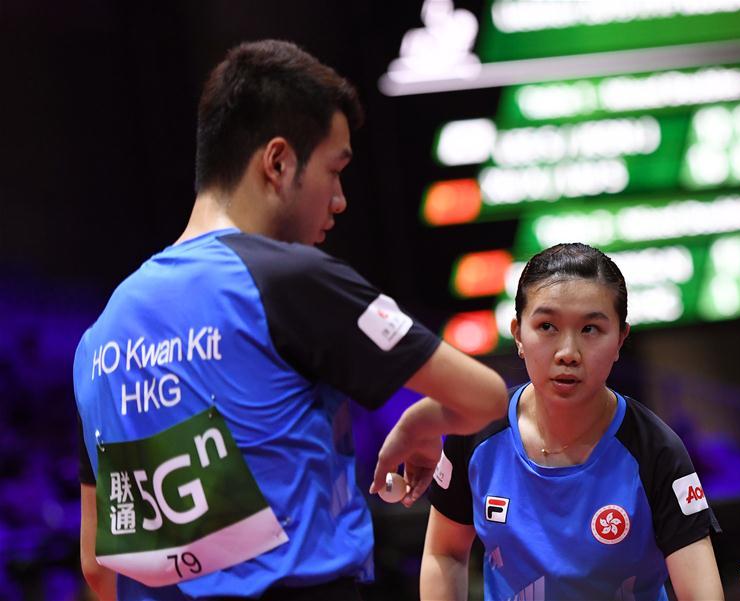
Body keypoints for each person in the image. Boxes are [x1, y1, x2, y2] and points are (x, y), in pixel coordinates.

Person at [73, 39, 507, 600]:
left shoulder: (101, 336)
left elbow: (97, 565)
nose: (340, 199)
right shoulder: (290, 279)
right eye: (335, 169)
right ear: (278, 162)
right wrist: (421, 424)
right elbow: (484, 397)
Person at [422, 243, 724, 601]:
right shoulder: (475, 433)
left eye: (590, 329)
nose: (568, 353)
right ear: (518, 334)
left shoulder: (656, 450)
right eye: (547, 326)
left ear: (620, 340)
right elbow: (444, 553)